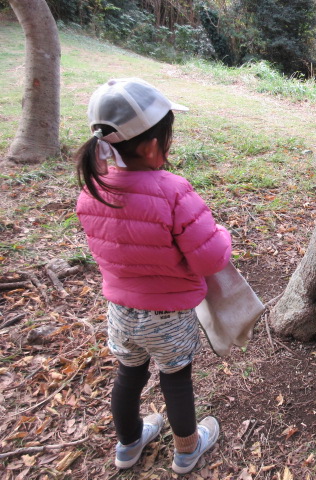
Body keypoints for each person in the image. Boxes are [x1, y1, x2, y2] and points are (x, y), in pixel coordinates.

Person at [75, 78, 232, 474]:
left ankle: (128, 446)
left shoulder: (93, 190)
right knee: (176, 379)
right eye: (168, 136)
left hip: (121, 311)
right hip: (169, 316)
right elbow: (210, 258)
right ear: (150, 145)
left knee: (128, 376)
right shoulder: (173, 191)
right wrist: (224, 236)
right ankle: (186, 450)